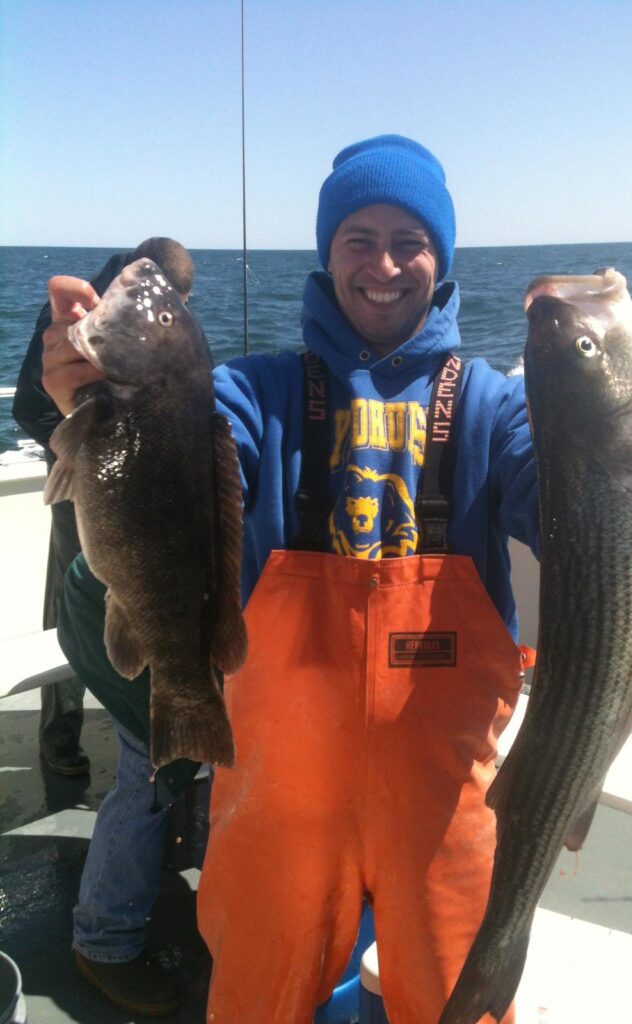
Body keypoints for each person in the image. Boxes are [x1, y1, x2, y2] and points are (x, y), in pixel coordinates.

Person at [43, 136, 540, 1023]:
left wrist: (616, 437)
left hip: (444, 798)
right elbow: (178, 454)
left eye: (408, 239)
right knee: (256, 997)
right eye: (358, 237)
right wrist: (89, 398)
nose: (383, 263)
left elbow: (570, 506)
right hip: (273, 788)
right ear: (325, 251)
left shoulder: (494, 408)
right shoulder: (249, 391)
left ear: (443, 255)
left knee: (465, 1000)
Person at [13, 237, 197, 777]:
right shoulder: (75, 324)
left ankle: (147, 728)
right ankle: (60, 737)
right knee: (74, 606)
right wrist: (81, 436)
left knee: (146, 600)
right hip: (79, 494)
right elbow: (29, 407)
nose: (181, 313)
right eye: (178, 303)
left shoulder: (159, 331)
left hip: (137, 494)